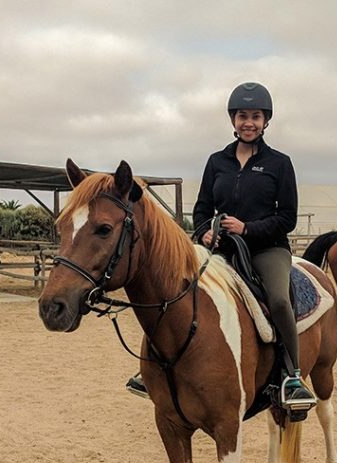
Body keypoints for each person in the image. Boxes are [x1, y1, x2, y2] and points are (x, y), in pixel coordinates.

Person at [127, 81, 316, 411]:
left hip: (266, 248)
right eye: (242, 116)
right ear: (233, 120)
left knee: (279, 300)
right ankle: (154, 369)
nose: (249, 123)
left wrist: (248, 228)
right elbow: (202, 208)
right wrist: (204, 233)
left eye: (256, 116)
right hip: (220, 248)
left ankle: (292, 375)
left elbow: (287, 217)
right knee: (173, 291)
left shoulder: (279, 163)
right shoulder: (217, 162)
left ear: (266, 121)